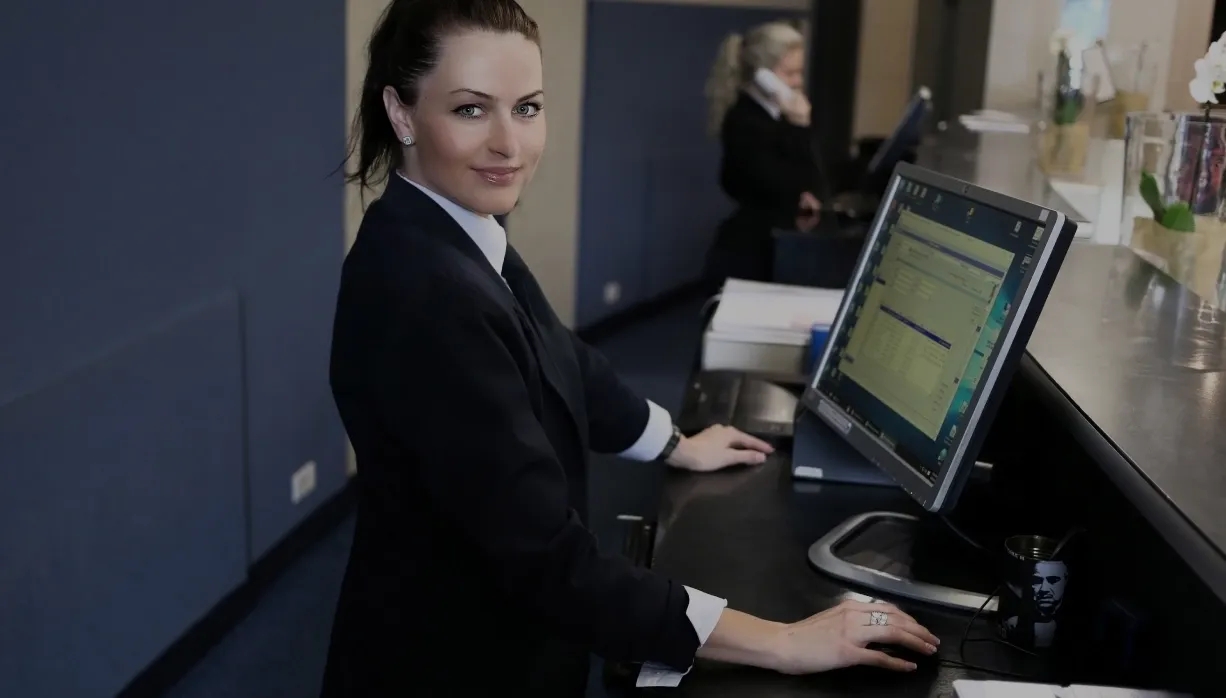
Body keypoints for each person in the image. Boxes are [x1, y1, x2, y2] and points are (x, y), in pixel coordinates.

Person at [323, 1, 938, 695]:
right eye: (470, 110)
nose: (510, 145)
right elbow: (550, 565)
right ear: (401, 115)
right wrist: (785, 641)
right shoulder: (428, 294)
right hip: (450, 662)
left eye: (527, 108)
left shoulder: (450, 231)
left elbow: (561, 356)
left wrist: (675, 441)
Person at [702, 21, 823, 289]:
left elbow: (811, 184)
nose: (798, 82)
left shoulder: (777, 116)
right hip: (748, 257)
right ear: (761, 75)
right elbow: (788, 186)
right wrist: (800, 126)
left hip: (774, 247)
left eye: (800, 73)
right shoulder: (745, 120)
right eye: (789, 73)